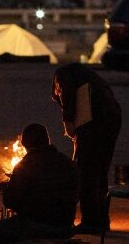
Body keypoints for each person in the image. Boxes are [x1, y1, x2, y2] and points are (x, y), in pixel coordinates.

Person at [52, 63, 121, 234]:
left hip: (95, 120)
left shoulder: (61, 75)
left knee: (86, 173)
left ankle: (90, 222)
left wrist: (67, 121)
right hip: (112, 117)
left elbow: (67, 92)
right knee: (100, 172)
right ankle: (102, 221)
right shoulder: (87, 77)